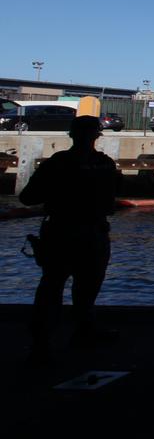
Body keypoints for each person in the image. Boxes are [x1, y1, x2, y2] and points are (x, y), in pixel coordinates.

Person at [21, 115, 123, 364]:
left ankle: (41, 343)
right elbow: (113, 198)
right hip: (94, 232)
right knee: (87, 288)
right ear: (97, 136)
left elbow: (28, 197)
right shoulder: (104, 164)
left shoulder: (58, 163)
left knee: (51, 287)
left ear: (71, 135)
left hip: (60, 232)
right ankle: (83, 332)